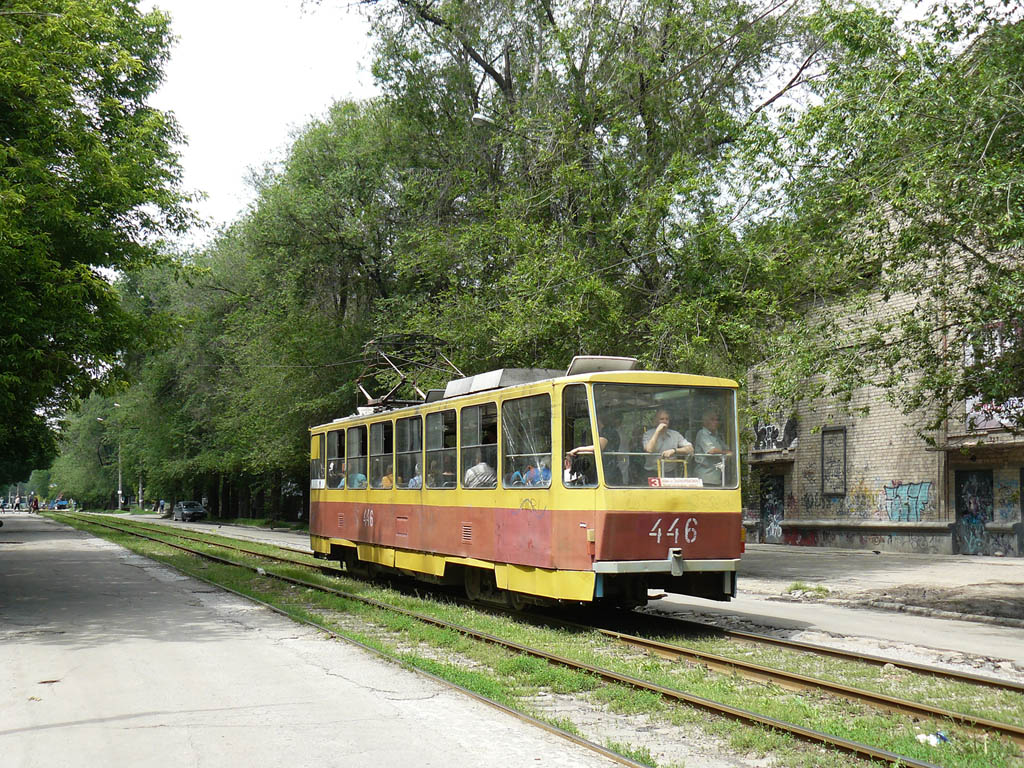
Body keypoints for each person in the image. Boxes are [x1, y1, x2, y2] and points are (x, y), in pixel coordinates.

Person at [642, 408, 693, 480]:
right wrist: (657, 432)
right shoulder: (648, 434)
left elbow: (690, 449)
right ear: (656, 421)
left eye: (667, 419)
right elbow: (649, 449)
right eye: (661, 419)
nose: (664, 421)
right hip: (651, 472)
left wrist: (674, 450)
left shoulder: (675, 434)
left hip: (669, 473)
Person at [694, 410, 733, 485]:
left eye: (716, 420)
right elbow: (711, 451)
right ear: (705, 422)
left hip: (716, 477)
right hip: (705, 478)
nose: (716, 422)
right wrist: (725, 453)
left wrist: (727, 452)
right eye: (712, 419)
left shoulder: (716, 436)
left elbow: (726, 448)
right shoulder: (702, 433)